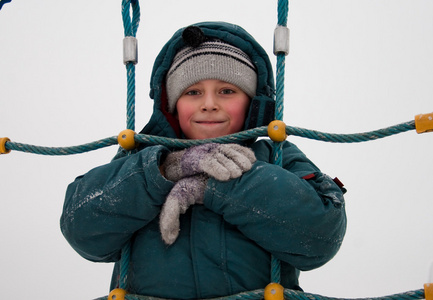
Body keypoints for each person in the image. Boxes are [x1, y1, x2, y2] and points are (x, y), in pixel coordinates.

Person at [60, 22, 347, 299]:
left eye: (227, 91)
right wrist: (168, 169)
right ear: (172, 104)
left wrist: (212, 184)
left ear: (250, 101)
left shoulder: (276, 155)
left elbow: (320, 237)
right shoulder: (139, 157)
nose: (209, 104)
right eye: (192, 92)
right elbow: (82, 228)